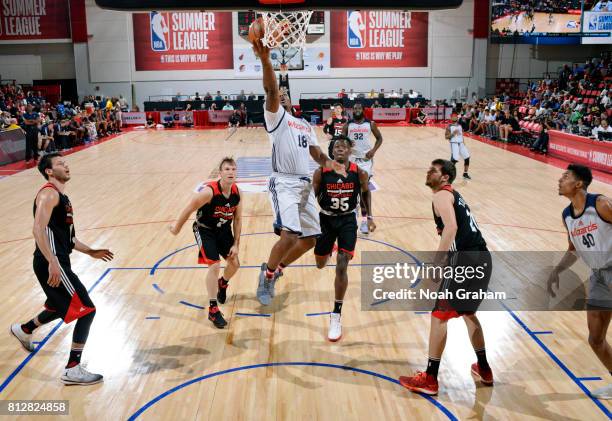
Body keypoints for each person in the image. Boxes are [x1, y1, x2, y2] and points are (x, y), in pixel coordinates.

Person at [251, 33, 344, 306]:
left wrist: (330, 165)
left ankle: (277, 270)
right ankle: (266, 276)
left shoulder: (304, 125)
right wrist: (266, 61)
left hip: (304, 185)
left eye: (284, 94)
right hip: (284, 183)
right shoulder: (276, 118)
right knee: (290, 234)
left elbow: (315, 152)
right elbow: (270, 89)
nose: (281, 95)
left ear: (292, 98)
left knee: (310, 240)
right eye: (279, 95)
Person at [10, 153, 114, 385]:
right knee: (87, 309)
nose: (66, 165)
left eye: (65, 162)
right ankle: (72, 369)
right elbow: (38, 229)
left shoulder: (63, 198)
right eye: (60, 164)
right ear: (49, 171)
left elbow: (69, 238)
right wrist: (52, 261)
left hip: (56, 259)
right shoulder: (48, 193)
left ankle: (25, 329)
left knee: (62, 306)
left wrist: (90, 251)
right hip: (51, 261)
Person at [399, 159, 493, 395]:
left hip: (465, 260)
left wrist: (437, 263)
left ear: (444, 178)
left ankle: (430, 378)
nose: (428, 172)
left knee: (439, 315)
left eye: (434, 170)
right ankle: (484, 368)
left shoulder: (441, 195)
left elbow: (450, 228)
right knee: (469, 313)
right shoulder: (455, 195)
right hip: (482, 257)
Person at [548, 164, 612, 399]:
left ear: (578, 184)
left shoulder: (601, 204)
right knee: (595, 338)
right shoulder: (567, 215)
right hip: (598, 275)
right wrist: (557, 270)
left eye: (565, 176)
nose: (560, 179)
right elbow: (573, 249)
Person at [168, 158, 242, 328]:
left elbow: (237, 219)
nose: (231, 172)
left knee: (235, 264)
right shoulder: (209, 192)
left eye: (233, 169)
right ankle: (213, 309)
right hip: (204, 229)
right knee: (214, 266)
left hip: (223, 231)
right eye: (227, 169)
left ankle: (222, 283)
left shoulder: (238, 193)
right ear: (220, 173)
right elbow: (189, 208)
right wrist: (176, 228)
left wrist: (236, 244)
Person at [313, 137, 373, 341]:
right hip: (325, 220)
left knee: (342, 265)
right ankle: (327, 250)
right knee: (320, 264)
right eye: (336, 146)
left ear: (350, 151)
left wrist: (368, 217)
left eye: (344, 146)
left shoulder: (360, 173)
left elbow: (365, 195)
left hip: (348, 221)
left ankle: (336, 314)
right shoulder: (321, 172)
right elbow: (311, 199)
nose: (340, 148)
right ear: (331, 151)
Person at [343, 102, 382, 234]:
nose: (357, 110)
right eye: (354, 109)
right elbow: (340, 140)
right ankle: (354, 213)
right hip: (351, 160)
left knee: (364, 189)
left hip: (365, 161)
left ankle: (366, 220)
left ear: (363, 110)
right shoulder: (348, 125)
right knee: (352, 189)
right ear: (352, 111)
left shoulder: (370, 124)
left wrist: (374, 151)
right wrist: (347, 143)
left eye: (359, 108)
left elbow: (380, 138)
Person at [446, 114, 471, 179]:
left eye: (455, 116)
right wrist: (453, 134)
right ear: (451, 118)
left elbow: (461, 135)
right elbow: (446, 137)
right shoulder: (449, 126)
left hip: (461, 143)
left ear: (457, 118)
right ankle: (448, 175)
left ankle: (465, 174)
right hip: (454, 144)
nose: (454, 118)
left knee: (467, 157)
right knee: (454, 159)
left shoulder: (460, 125)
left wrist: (463, 141)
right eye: (453, 117)